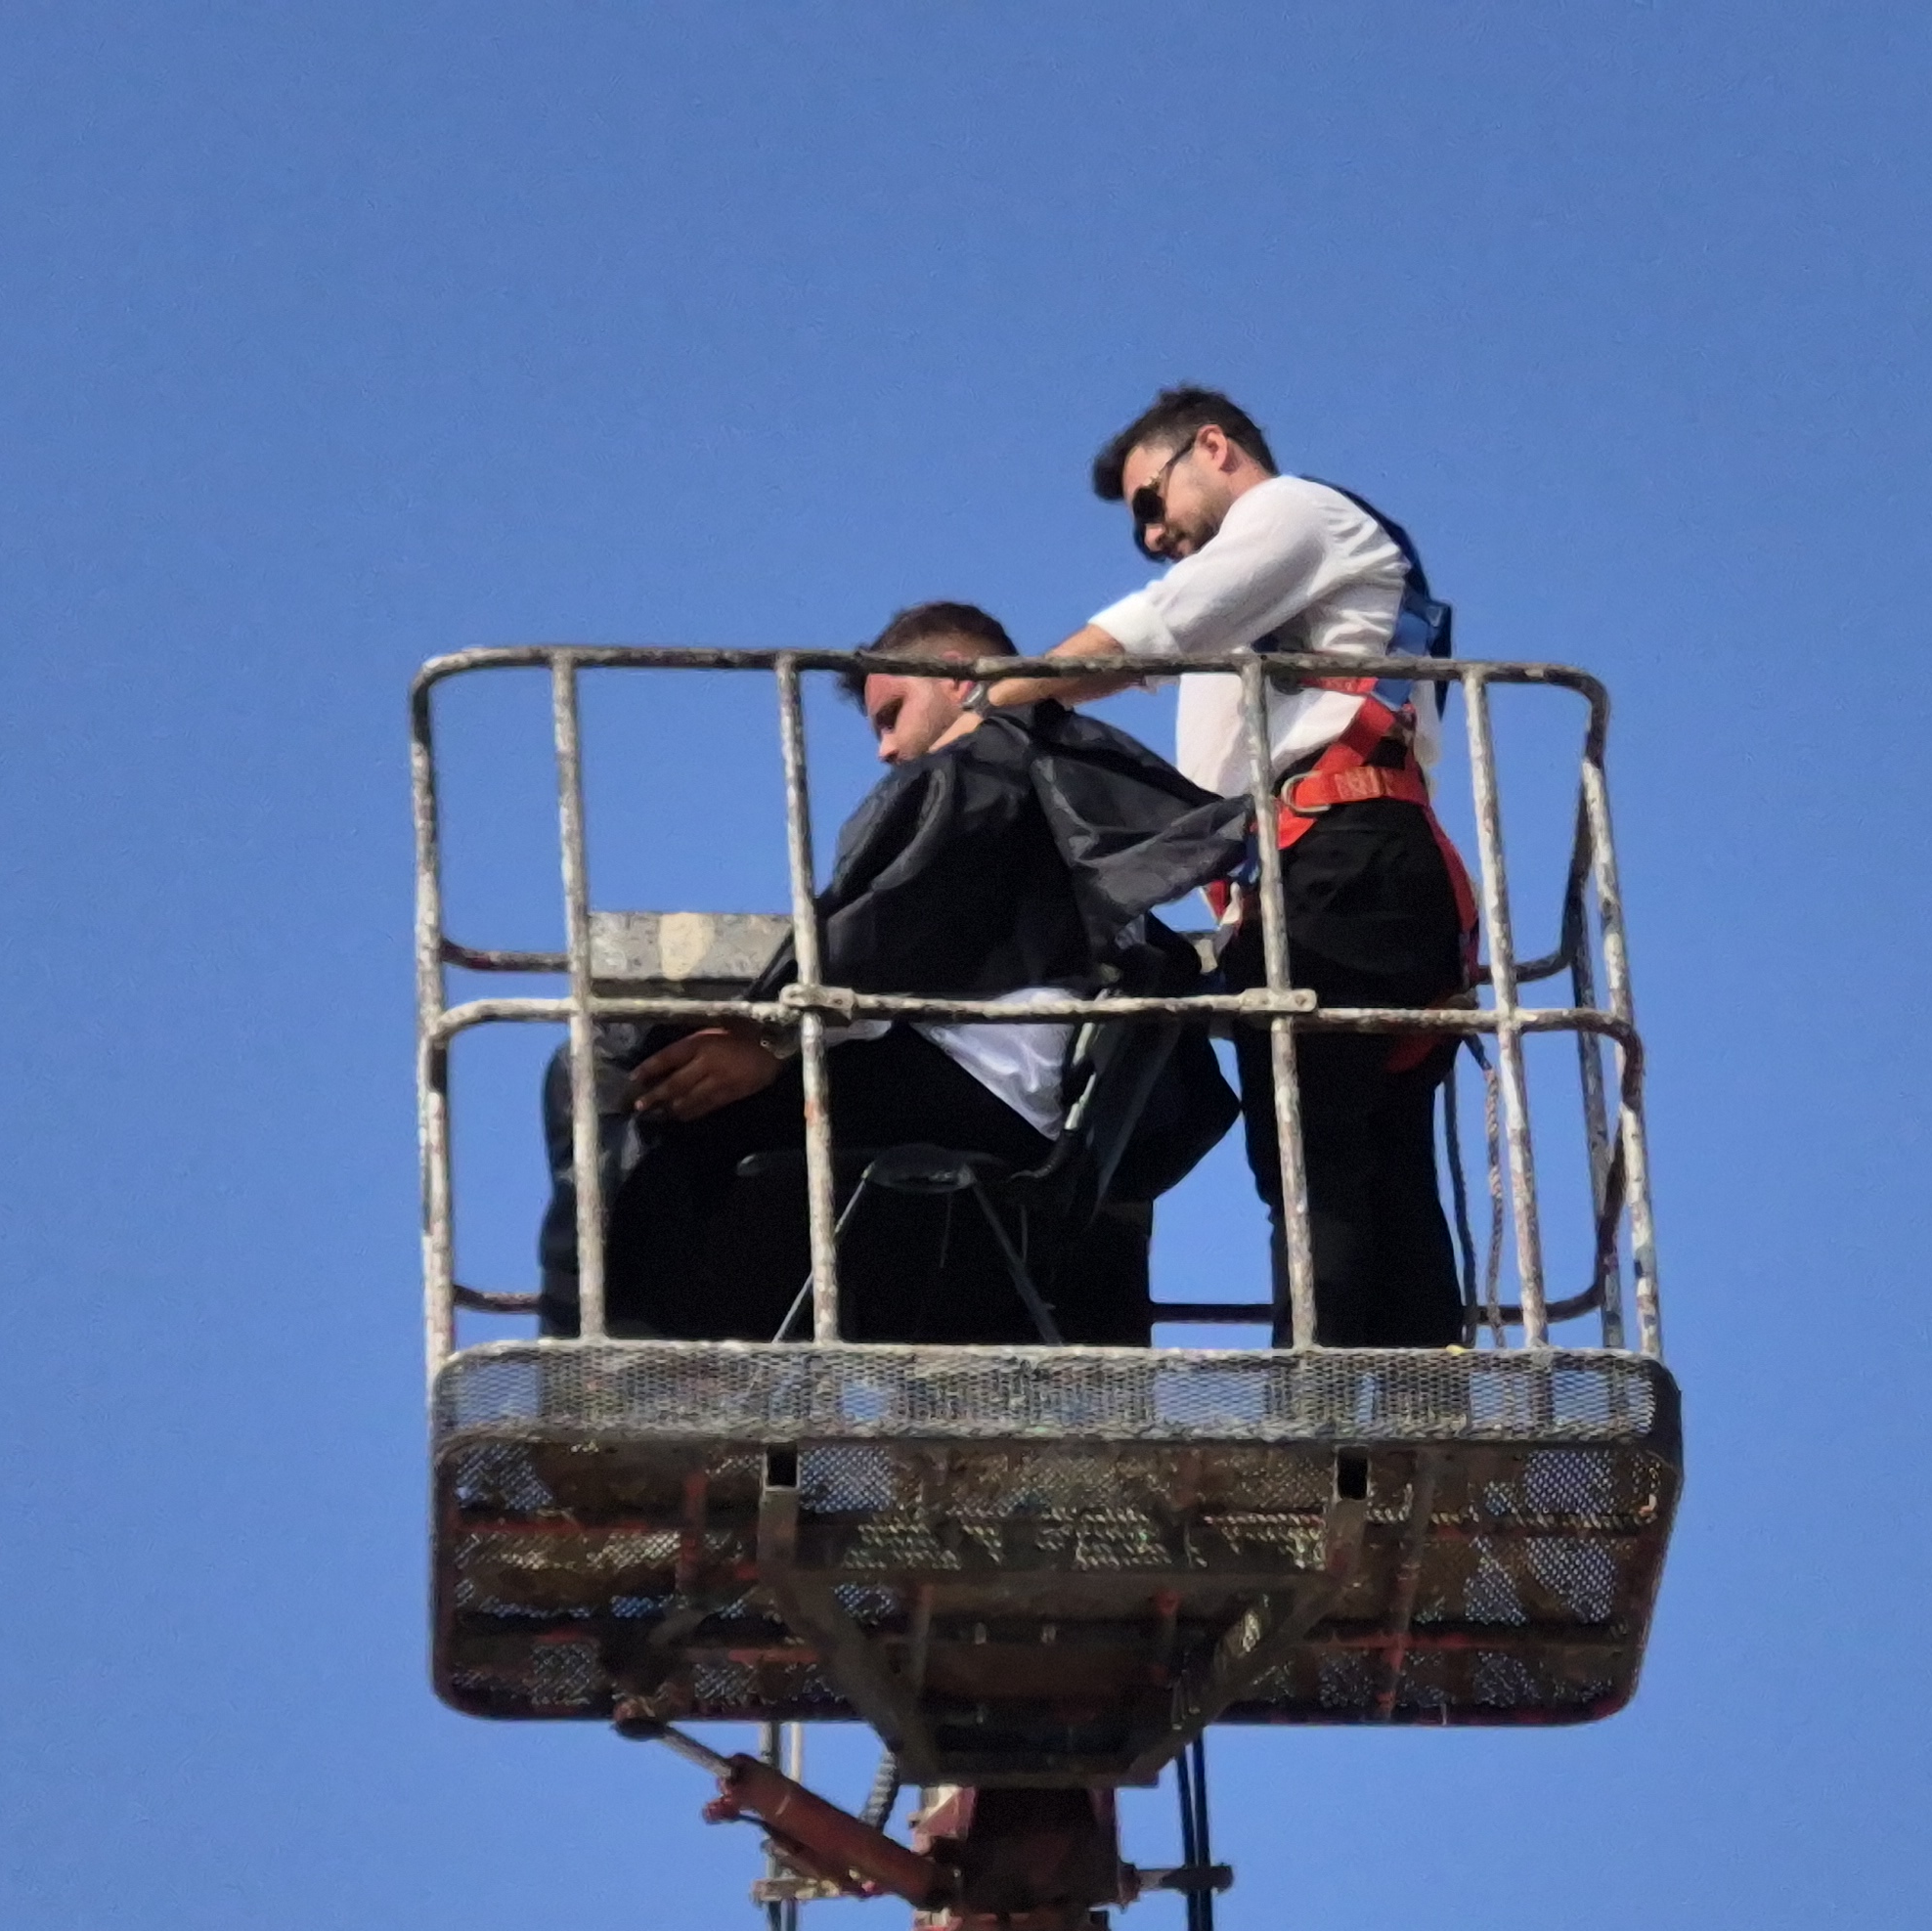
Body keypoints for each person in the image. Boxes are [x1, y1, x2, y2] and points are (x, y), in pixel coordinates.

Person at [538, 600, 1239, 1345]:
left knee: (607, 1062)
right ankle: (674, 1354)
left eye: (892, 715)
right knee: (693, 1122)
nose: (885, 748)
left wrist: (770, 1037)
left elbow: (892, 921)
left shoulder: (984, 761)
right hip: (1036, 1113)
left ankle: (603, 1356)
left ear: (959, 678)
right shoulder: (1075, 772)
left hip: (974, 1086)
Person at [971, 387, 1472, 1346]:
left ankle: (1321, 1400)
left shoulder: (1292, 512)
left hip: (1342, 856)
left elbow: (1148, 632)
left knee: (1312, 1159)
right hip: (1346, 864)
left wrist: (986, 702)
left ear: (1213, 447)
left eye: (1151, 502)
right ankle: (1422, 1402)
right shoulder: (1267, 589)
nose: (1152, 536)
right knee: (1374, 1162)